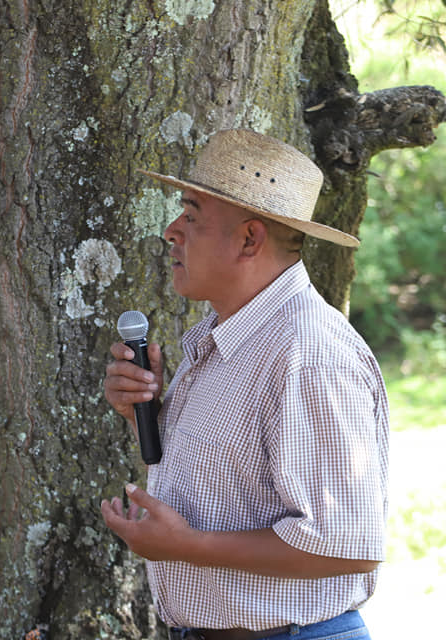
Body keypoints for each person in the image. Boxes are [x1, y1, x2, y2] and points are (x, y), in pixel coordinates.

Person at [100, 129, 389, 640]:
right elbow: (240, 480)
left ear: (250, 239)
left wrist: (185, 545)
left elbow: (348, 544)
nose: (171, 230)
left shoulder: (309, 354)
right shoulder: (226, 334)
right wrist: (149, 416)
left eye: (191, 215)